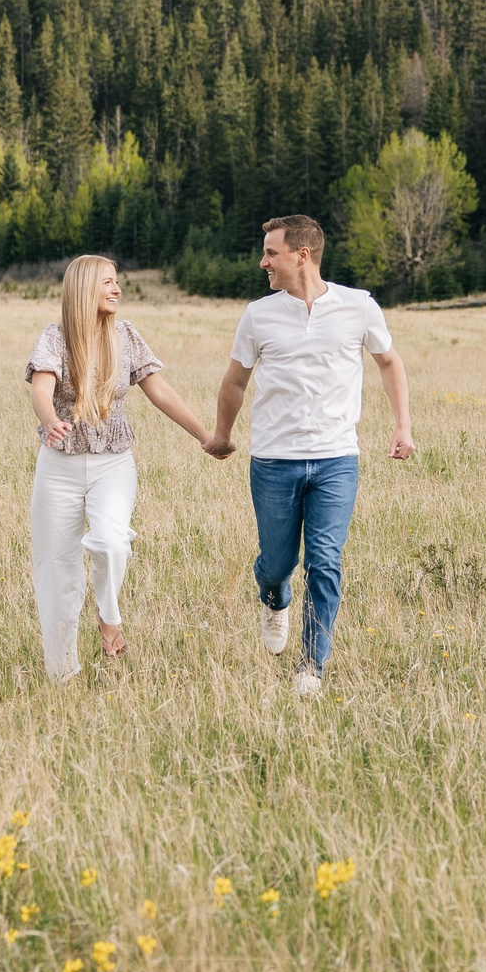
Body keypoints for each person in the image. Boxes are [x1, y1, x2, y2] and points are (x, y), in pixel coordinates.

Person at [205, 215, 413, 698]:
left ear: (303, 255)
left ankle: (310, 667)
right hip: (274, 461)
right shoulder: (259, 314)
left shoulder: (358, 307)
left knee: (325, 560)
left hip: (337, 458)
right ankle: (274, 600)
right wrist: (221, 434)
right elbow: (235, 381)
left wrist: (402, 425)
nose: (263, 262)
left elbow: (389, 362)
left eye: (271, 253)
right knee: (277, 565)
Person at [24, 253, 213, 681]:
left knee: (111, 542)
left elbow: (159, 391)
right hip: (59, 467)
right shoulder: (54, 338)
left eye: (117, 281)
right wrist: (51, 421)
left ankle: (109, 619)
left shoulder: (125, 336)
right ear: (84, 289)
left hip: (114, 464)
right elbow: (42, 388)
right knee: (56, 569)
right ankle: (62, 674)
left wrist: (205, 436)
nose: (117, 289)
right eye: (108, 282)